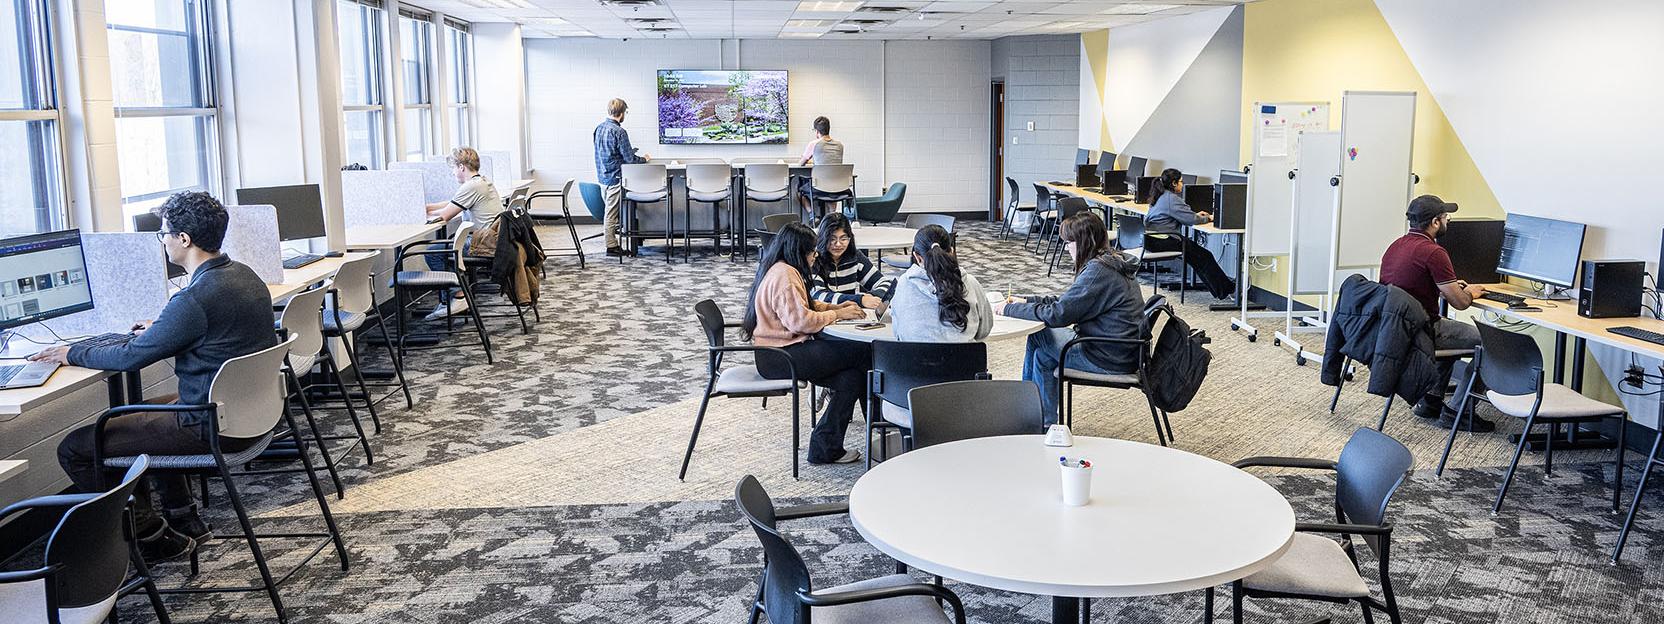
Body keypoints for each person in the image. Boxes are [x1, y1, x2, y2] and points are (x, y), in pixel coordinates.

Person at [29, 192, 280, 562]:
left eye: (163, 233)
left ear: (183, 239)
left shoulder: (194, 299)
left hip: (212, 425)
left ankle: (151, 535)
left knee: (77, 448)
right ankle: (185, 519)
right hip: (251, 415)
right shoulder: (243, 275)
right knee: (146, 413)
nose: (161, 241)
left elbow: (131, 357)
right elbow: (201, 326)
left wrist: (71, 352)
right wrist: (162, 327)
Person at [996, 212, 1144, 425]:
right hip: (1118, 348)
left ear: (1084, 242)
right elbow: (1069, 301)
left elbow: (1059, 314)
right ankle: (1040, 419)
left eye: (1069, 242)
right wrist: (1027, 300)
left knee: (1039, 335)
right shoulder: (1110, 262)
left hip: (1107, 355)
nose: (1066, 248)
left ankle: (1029, 414)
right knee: (1042, 357)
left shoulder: (1098, 271)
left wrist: (1010, 309)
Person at [744, 223, 869, 464]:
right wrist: (838, 315)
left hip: (778, 353)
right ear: (799, 252)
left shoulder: (780, 269)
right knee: (864, 352)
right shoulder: (786, 277)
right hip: (781, 357)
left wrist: (834, 307)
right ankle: (881, 420)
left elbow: (804, 304)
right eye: (812, 252)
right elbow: (801, 322)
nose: (815, 257)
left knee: (852, 378)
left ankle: (824, 447)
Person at [1379, 194, 1492, 431]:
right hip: (1423, 330)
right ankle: (1458, 411)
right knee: (1490, 345)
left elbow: (1415, 284)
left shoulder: (1396, 245)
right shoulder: (1434, 252)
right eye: (1445, 217)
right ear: (1434, 222)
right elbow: (1460, 303)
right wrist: (1470, 291)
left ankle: (1431, 400)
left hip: (1398, 329)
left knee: (1453, 335)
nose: (1448, 221)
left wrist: (1447, 286)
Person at [423, 146, 505, 320]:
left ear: (461, 167)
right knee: (446, 245)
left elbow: (446, 214)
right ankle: (448, 302)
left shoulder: (471, 186)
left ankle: (458, 295)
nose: (453, 173)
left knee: (434, 253)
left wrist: (425, 213)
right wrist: (427, 208)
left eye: (453, 168)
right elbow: (453, 202)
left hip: (484, 243)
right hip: (492, 239)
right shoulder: (481, 182)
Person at [1143, 168, 1237, 300]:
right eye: (1181, 182)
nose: (1183, 184)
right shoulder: (1171, 199)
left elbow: (1186, 216)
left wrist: (1195, 215)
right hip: (1164, 239)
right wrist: (1208, 218)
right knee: (1204, 256)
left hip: (1153, 239)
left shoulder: (1160, 195)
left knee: (1197, 257)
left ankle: (1223, 290)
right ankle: (1229, 290)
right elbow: (1191, 220)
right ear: (1174, 183)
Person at [890, 225, 992, 342]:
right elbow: (984, 330)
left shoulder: (904, 284)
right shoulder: (970, 283)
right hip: (963, 359)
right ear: (952, 252)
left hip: (915, 359)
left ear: (917, 258)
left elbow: (898, 332)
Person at [594, 98, 650, 258]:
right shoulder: (619, 132)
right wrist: (644, 159)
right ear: (622, 113)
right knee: (611, 214)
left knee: (610, 212)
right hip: (616, 177)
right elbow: (630, 160)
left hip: (603, 176)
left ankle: (617, 242)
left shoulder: (599, 128)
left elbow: (605, 153)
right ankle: (611, 246)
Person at [809, 213, 893, 311]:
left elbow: (885, 282)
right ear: (823, 238)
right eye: (832, 239)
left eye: (844, 239)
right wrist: (860, 300)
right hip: (824, 318)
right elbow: (819, 296)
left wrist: (871, 297)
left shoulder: (855, 257)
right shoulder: (813, 259)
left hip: (850, 316)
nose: (838, 244)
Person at [797, 116, 845, 215]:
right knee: (831, 186)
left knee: (799, 190)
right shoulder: (840, 145)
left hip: (820, 187)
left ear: (817, 131)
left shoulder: (814, 144)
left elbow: (801, 163)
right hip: (837, 186)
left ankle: (812, 214)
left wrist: (808, 160)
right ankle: (832, 215)